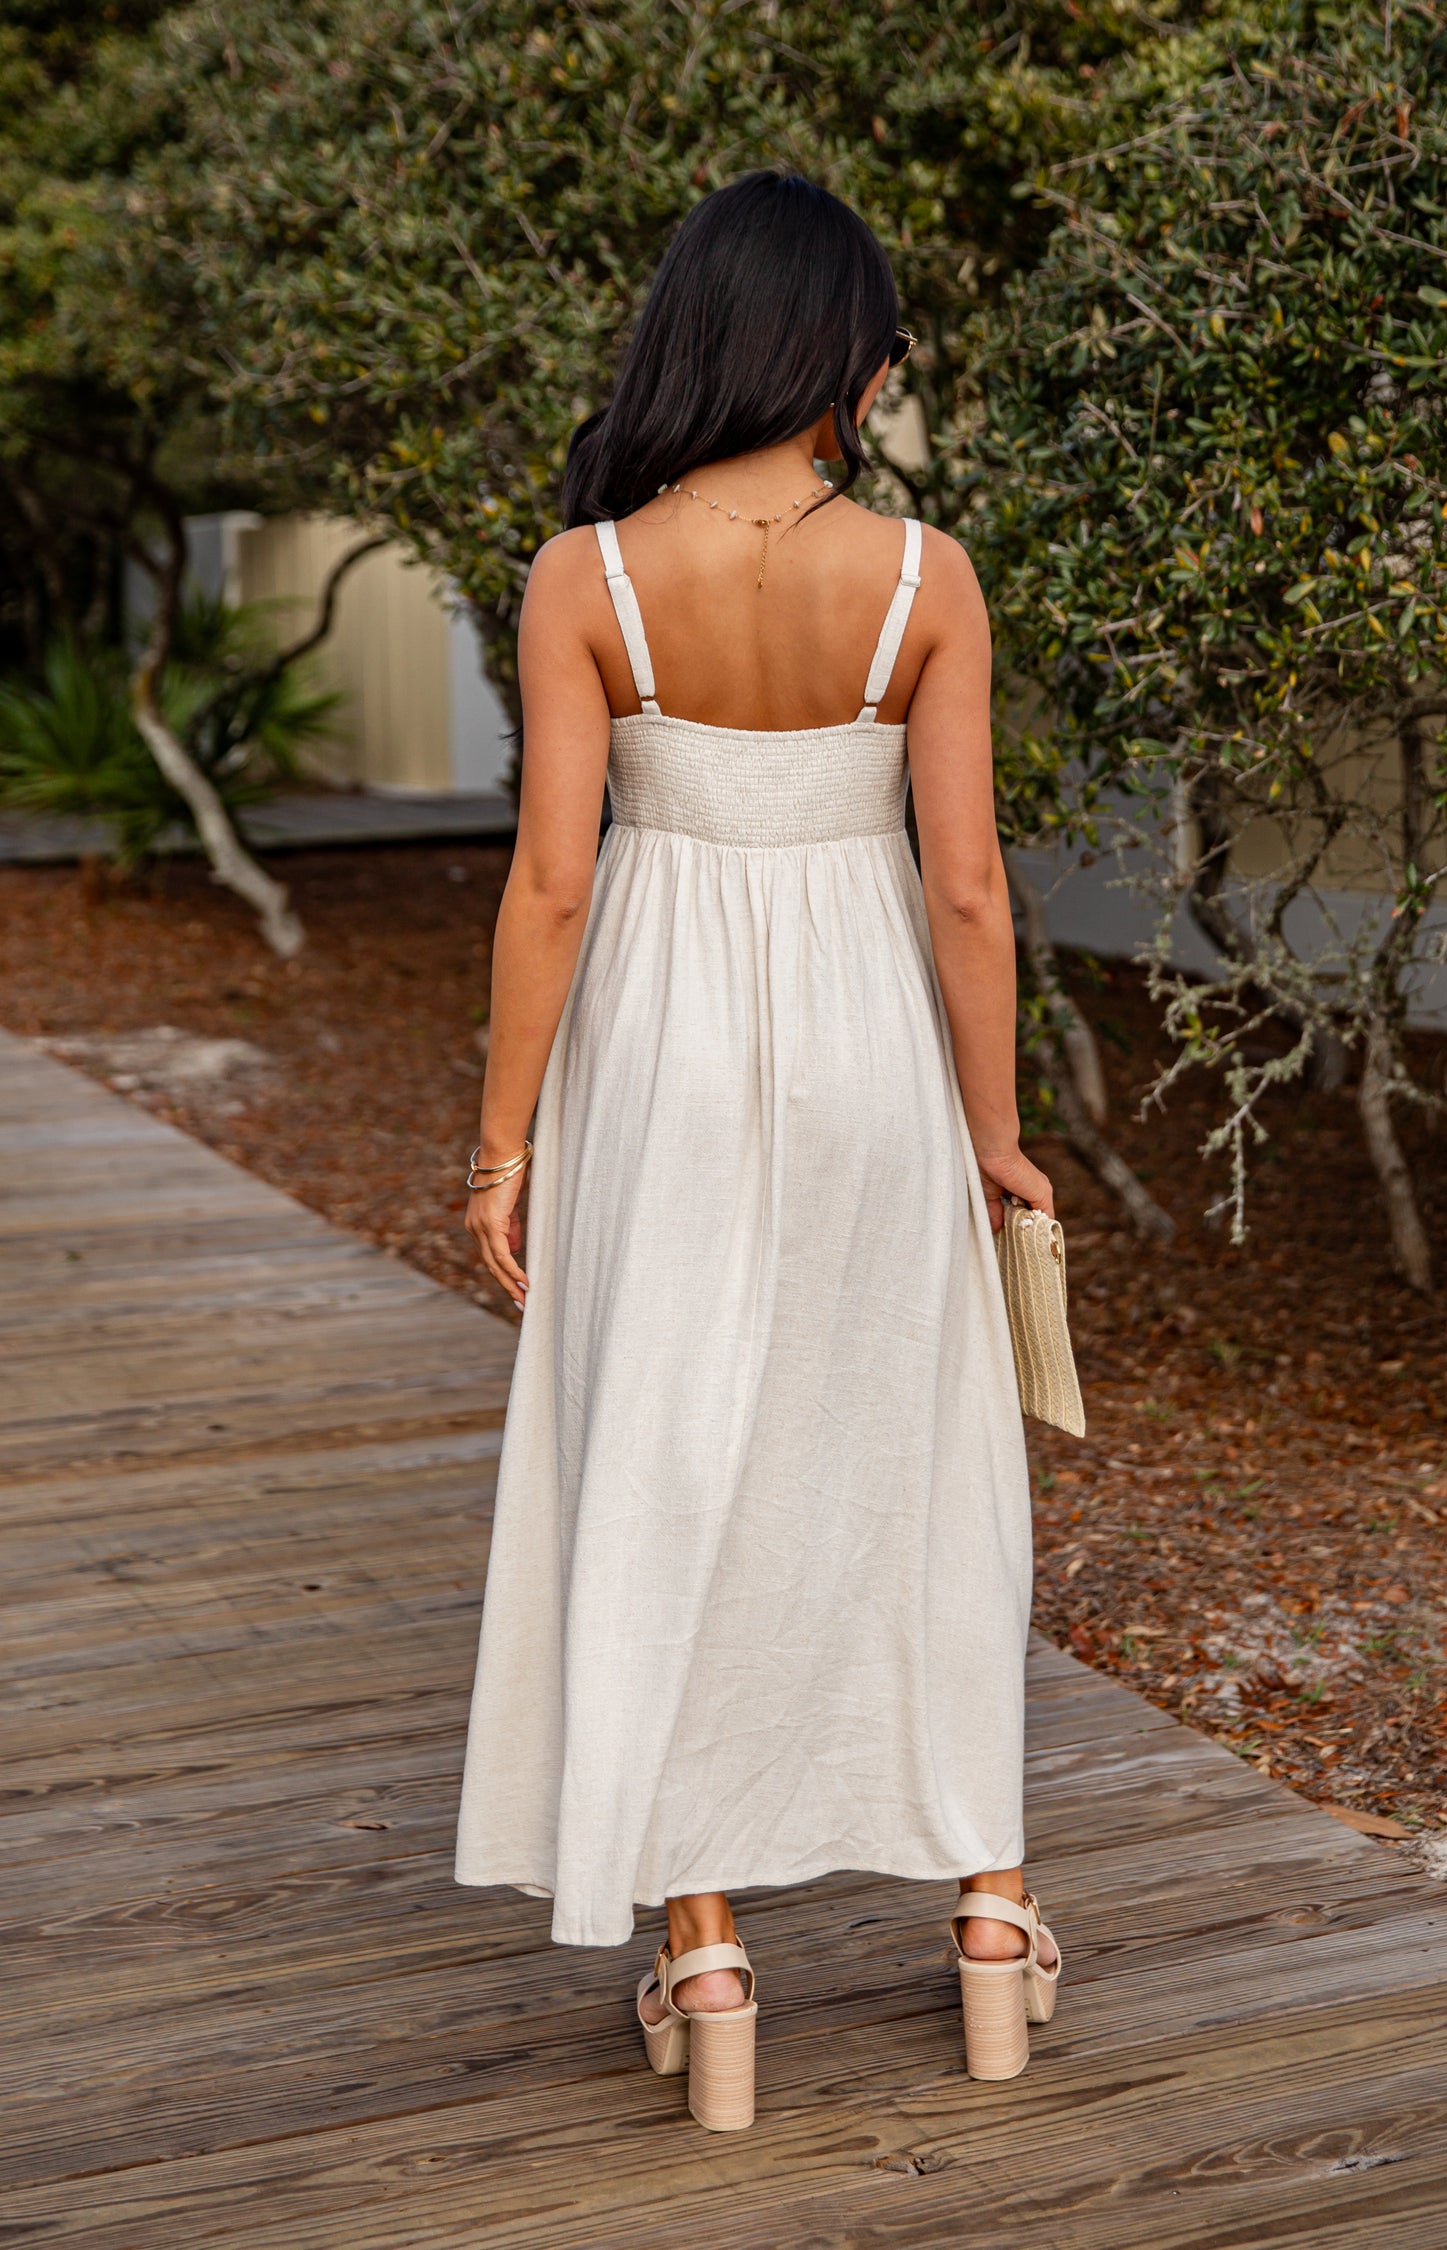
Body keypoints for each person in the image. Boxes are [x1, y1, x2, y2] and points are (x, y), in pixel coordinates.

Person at [455, 170, 1059, 2133]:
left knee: (663, 1458)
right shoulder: (927, 579)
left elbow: (553, 884)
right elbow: (966, 888)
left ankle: (706, 1956)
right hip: (876, 1047)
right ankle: (991, 1918)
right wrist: (996, 1134)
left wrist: (499, 1144)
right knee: (916, 1453)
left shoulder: (586, 580)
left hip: (659, 1050)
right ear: (843, 365)